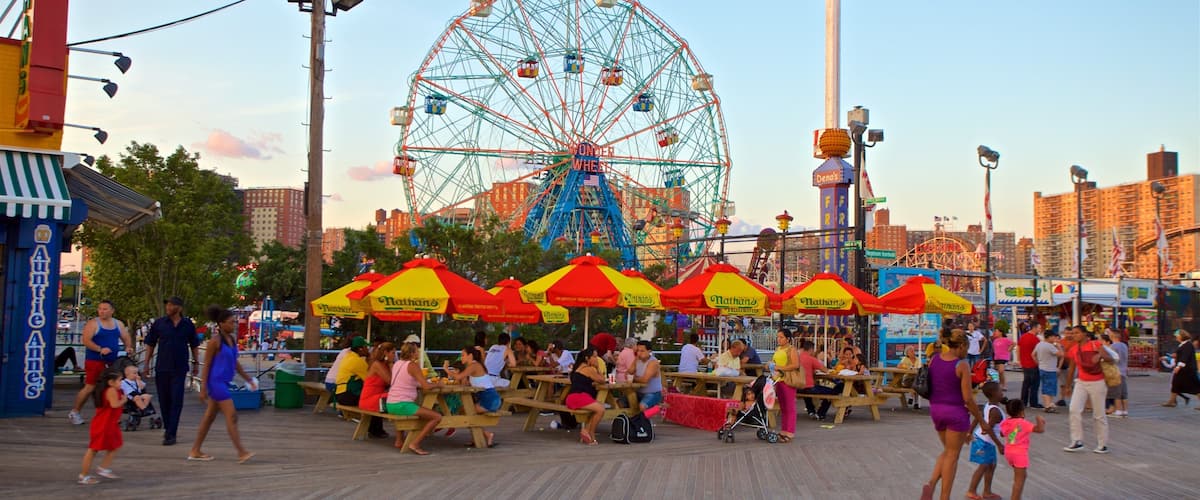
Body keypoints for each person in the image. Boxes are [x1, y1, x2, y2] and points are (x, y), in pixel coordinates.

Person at [921, 330, 989, 500]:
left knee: (947, 451)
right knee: (952, 456)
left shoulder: (935, 359)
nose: (967, 351)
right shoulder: (962, 365)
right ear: (961, 346)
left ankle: (931, 484)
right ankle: (944, 497)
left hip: (936, 411)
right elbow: (968, 398)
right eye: (966, 347)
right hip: (955, 413)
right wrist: (980, 420)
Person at [187, 306, 256, 463]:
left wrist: (248, 378)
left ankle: (195, 450)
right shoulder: (214, 342)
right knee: (231, 415)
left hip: (224, 381)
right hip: (216, 383)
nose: (234, 325)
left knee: (209, 417)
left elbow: (235, 362)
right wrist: (203, 388)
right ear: (221, 323)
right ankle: (241, 452)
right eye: (231, 322)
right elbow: (207, 366)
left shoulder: (231, 340)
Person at [143, 296, 200, 446]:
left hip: (179, 368)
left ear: (179, 308)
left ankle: (171, 433)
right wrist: (146, 363)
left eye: (171, 305)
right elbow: (150, 343)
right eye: (167, 305)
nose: (168, 307)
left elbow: (194, 344)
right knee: (164, 400)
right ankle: (168, 427)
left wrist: (196, 362)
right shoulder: (159, 323)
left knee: (177, 400)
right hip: (162, 367)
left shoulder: (187, 325)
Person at [68, 300, 134, 426]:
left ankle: (110, 414)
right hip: (95, 360)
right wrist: (99, 349)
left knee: (112, 387)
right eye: (100, 309)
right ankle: (75, 412)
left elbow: (126, 337)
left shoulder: (118, 323)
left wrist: (128, 347)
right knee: (90, 386)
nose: (102, 311)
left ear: (112, 311)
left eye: (105, 309)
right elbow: (86, 340)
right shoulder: (93, 324)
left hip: (112, 361)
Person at [1063, 325, 1114, 454]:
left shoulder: (1095, 344)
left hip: (1097, 381)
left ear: (1085, 334)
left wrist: (1100, 356)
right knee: (1074, 409)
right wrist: (1068, 386)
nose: (1074, 335)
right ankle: (1077, 440)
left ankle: (1102, 444)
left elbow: (1111, 359)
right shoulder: (1074, 349)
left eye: (1077, 333)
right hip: (1081, 382)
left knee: (1099, 414)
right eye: (1073, 333)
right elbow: (1072, 369)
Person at [386, 343, 443, 455]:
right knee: (437, 417)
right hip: (402, 404)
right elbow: (426, 386)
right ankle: (415, 443)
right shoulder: (413, 365)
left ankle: (399, 440)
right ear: (412, 353)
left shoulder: (397, 363)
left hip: (390, 403)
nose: (418, 353)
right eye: (416, 351)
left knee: (417, 410)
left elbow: (406, 381)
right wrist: (439, 385)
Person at [77, 367, 125, 485]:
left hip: (110, 424)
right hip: (104, 425)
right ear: (111, 382)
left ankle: (103, 468)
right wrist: (124, 400)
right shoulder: (111, 391)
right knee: (93, 450)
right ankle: (83, 475)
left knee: (115, 445)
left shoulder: (113, 389)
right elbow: (114, 405)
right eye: (119, 380)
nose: (121, 382)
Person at [443, 346, 497, 448]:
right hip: (488, 398)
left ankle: (486, 435)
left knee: (465, 411)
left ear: (470, 356)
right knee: (466, 411)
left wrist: (446, 369)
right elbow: (466, 382)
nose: (461, 358)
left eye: (463, 355)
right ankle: (478, 436)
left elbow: (459, 377)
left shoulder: (474, 365)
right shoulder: (474, 366)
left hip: (489, 399)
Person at [336, 337, 387, 439]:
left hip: (341, 393)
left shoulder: (349, 356)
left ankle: (375, 430)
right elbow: (369, 378)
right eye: (366, 347)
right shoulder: (357, 361)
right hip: (347, 394)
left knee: (372, 398)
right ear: (360, 349)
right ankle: (376, 430)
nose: (368, 350)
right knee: (374, 400)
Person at [965, 382, 1006, 500]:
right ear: (993, 394)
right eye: (1000, 391)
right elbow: (988, 429)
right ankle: (971, 491)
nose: (1002, 392)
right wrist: (999, 445)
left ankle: (987, 492)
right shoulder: (996, 412)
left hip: (985, 441)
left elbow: (977, 419)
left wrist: (970, 431)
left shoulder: (987, 405)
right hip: (984, 442)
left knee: (991, 465)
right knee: (983, 466)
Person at [998, 400, 1046, 500]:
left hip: (1009, 452)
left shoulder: (1006, 422)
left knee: (1021, 476)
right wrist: (1039, 420)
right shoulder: (1023, 423)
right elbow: (1040, 429)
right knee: (1019, 480)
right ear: (1021, 412)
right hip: (1020, 454)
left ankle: (1017, 497)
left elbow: (1002, 433)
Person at [564, 348, 606, 445]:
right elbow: (602, 380)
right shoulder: (589, 369)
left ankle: (586, 430)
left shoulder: (577, 368)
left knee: (597, 407)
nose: (597, 359)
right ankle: (591, 432)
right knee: (601, 409)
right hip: (579, 397)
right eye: (594, 357)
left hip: (572, 397)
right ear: (587, 358)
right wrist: (598, 368)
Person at [771, 329, 802, 443]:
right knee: (783, 406)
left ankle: (790, 431)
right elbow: (774, 362)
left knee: (790, 406)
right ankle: (784, 430)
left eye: (781, 337)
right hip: (778, 379)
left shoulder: (791, 349)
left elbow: (795, 365)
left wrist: (780, 367)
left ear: (787, 339)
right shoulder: (778, 349)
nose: (779, 339)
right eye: (778, 337)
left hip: (788, 379)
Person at [795, 340, 839, 421]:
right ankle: (821, 413)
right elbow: (825, 370)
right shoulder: (811, 359)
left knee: (807, 390)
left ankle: (811, 410)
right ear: (811, 349)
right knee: (832, 391)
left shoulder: (797, 357)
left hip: (797, 388)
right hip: (808, 387)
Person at [1162, 329, 1200, 407]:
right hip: (1184, 370)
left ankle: (1172, 401)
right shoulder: (1183, 344)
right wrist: (1174, 355)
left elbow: (1185, 357)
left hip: (1187, 370)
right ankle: (1172, 401)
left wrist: (1178, 366)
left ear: (1181, 336)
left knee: (1195, 387)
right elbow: (1181, 354)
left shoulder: (1187, 345)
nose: (1176, 338)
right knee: (1175, 384)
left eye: (1177, 336)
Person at [359, 342, 395, 415]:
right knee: (397, 396)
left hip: (378, 397)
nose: (395, 356)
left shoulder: (385, 365)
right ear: (386, 353)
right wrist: (391, 365)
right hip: (369, 399)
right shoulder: (377, 365)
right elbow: (391, 381)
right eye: (393, 353)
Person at [1102, 330, 1129, 417]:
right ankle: (1125, 410)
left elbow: (1110, 358)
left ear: (1113, 336)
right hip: (1123, 371)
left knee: (1116, 393)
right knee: (1123, 393)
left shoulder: (1113, 346)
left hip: (1115, 371)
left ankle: (1118, 410)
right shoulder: (1124, 345)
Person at [1033, 331, 1062, 412]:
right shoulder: (1050, 346)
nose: (1054, 339)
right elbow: (1061, 354)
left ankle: (1048, 403)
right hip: (1050, 369)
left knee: (1045, 386)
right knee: (1050, 387)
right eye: (1053, 337)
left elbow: (1033, 354)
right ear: (1049, 337)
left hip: (1042, 368)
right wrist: (1059, 347)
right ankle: (1048, 405)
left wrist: (1038, 363)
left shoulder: (1039, 344)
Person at [632, 341, 663, 412]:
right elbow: (628, 372)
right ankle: (631, 422)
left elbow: (645, 380)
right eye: (638, 351)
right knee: (621, 402)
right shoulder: (637, 359)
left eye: (642, 351)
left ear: (649, 351)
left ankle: (656, 410)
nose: (639, 353)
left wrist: (634, 378)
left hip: (652, 392)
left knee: (642, 406)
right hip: (639, 391)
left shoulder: (653, 362)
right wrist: (635, 361)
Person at [1017, 323, 1043, 409]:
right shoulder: (1035, 339)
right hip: (1033, 363)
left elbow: (1018, 348)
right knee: (1034, 384)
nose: (1040, 330)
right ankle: (1033, 402)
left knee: (1026, 383)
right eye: (1039, 328)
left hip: (1025, 363)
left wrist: (1019, 360)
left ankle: (1023, 401)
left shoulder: (1023, 337)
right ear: (1034, 328)